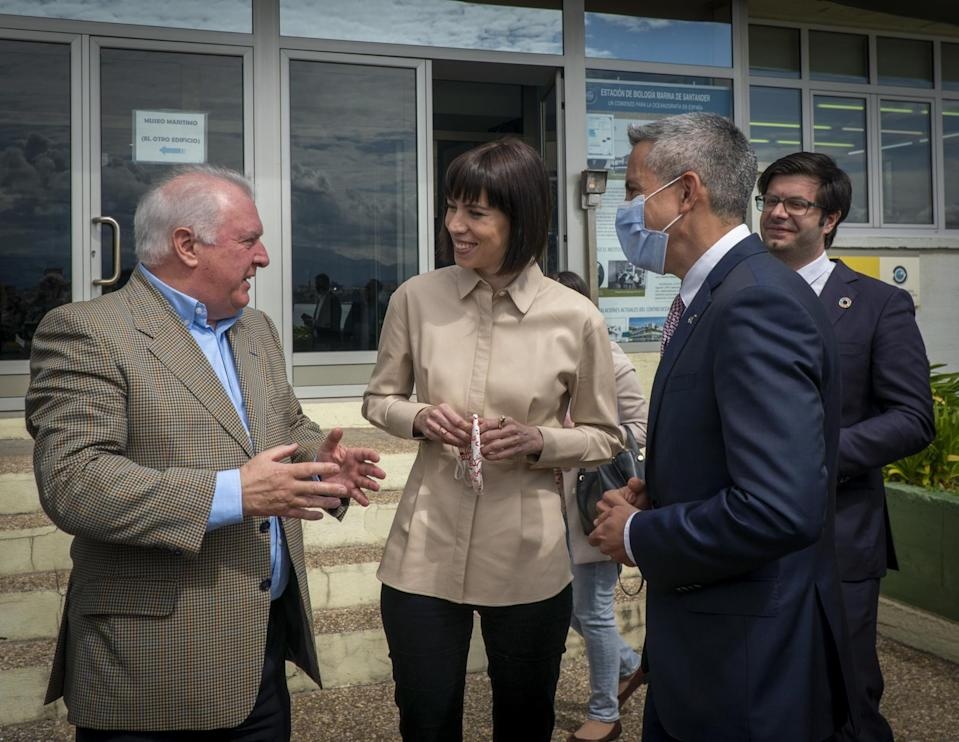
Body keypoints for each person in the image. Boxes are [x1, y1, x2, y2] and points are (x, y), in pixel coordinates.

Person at [25, 165, 385, 740]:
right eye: (248, 241)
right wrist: (234, 495)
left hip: (259, 650)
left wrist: (323, 462)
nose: (264, 257)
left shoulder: (256, 329)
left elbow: (284, 422)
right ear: (186, 245)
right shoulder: (87, 331)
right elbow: (74, 481)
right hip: (153, 667)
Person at [588, 112, 857, 741]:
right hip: (709, 649)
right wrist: (665, 489)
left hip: (746, 668)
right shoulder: (719, 292)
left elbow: (779, 508)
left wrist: (642, 534)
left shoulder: (754, 301)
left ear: (686, 193)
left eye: (634, 193)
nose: (627, 214)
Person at [362, 138, 622, 742]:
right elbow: (379, 399)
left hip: (529, 556)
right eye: (452, 208)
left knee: (525, 721)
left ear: (520, 217)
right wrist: (421, 418)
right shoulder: (415, 298)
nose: (456, 225)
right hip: (423, 549)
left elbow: (605, 435)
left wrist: (541, 441)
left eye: (476, 213)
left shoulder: (576, 317)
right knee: (424, 719)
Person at [757, 151, 935, 741]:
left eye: (795, 204)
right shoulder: (741, 294)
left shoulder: (879, 305)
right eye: (770, 201)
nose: (777, 213)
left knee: (847, 697)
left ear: (828, 219)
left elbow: (912, 418)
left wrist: (813, 460)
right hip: (747, 533)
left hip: (839, 535)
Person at [551, 270, 648, 742]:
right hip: (550, 508)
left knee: (592, 610)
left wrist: (591, 440)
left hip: (596, 502)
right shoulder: (542, 359)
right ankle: (632, 664)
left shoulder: (611, 359)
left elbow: (644, 426)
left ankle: (605, 714)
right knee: (570, 607)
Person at [302, 272, 342, 349]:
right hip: (319, 342)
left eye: (318, 283)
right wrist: (312, 322)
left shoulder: (333, 300)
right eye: (317, 283)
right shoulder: (320, 300)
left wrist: (314, 323)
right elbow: (321, 321)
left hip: (327, 344)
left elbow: (333, 325)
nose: (316, 286)